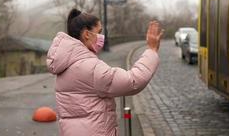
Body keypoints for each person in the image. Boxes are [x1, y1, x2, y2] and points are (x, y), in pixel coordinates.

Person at [46, 8, 163, 136]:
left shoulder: (67, 64)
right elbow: (132, 81)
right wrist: (151, 50)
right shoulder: (89, 68)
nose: (102, 37)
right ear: (87, 34)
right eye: (99, 32)